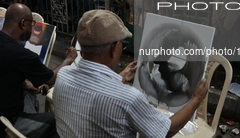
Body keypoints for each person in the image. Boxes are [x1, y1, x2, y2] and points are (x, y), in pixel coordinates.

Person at [53, 10, 208, 137]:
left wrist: (119, 77)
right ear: (114, 48)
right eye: (122, 44)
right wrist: (196, 99)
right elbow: (167, 130)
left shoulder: (63, 75)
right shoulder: (128, 98)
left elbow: (92, 91)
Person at [0, 3, 77, 138]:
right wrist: (68, 60)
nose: (32, 28)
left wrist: (23, 81)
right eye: (32, 24)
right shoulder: (22, 55)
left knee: (28, 93)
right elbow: (51, 78)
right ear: (23, 24)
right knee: (60, 120)